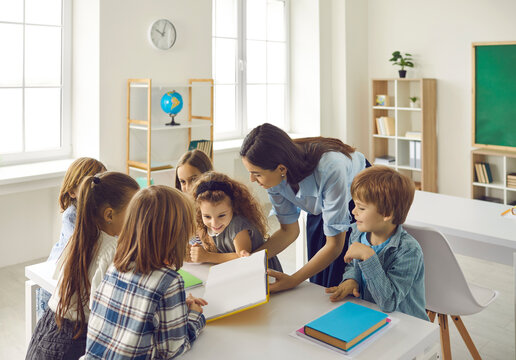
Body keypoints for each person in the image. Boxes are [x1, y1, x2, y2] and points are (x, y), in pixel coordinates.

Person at [240, 123, 369, 292]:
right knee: (318, 277)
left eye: (256, 174)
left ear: (281, 169)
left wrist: (293, 280)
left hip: (357, 195)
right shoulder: (273, 178)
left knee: (341, 275)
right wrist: (248, 262)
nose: (251, 179)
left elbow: (335, 245)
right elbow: (289, 231)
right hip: (320, 197)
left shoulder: (331, 168)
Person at [26, 172, 139, 360]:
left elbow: (58, 276)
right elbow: (109, 310)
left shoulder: (80, 237)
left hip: (48, 327)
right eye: (135, 210)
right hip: (75, 340)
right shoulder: (112, 251)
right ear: (109, 214)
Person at [83, 186, 207, 359]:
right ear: (177, 236)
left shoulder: (115, 268)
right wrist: (195, 315)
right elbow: (172, 349)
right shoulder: (169, 281)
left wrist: (176, 306)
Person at [326, 166, 428, 320]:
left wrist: (368, 256)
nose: (354, 212)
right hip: (369, 316)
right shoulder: (357, 233)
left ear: (387, 214)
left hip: (405, 325)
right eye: (354, 205)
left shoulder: (408, 250)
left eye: (361, 208)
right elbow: (353, 267)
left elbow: (389, 303)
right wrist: (351, 280)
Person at [36, 158, 106, 320]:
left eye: (101, 183)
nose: (98, 190)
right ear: (72, 192)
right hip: (55, 279)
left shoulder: (102, 211)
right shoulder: (72, 215)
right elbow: (84, 245)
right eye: (91, 185)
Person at [189, 171, 282, 271]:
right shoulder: (206, 226)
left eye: (221, 215)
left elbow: (242, 257)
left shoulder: (238, 225)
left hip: (265, 274)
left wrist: (207, 256)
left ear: (233, 207)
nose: (214, 223)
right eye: (207, 216)